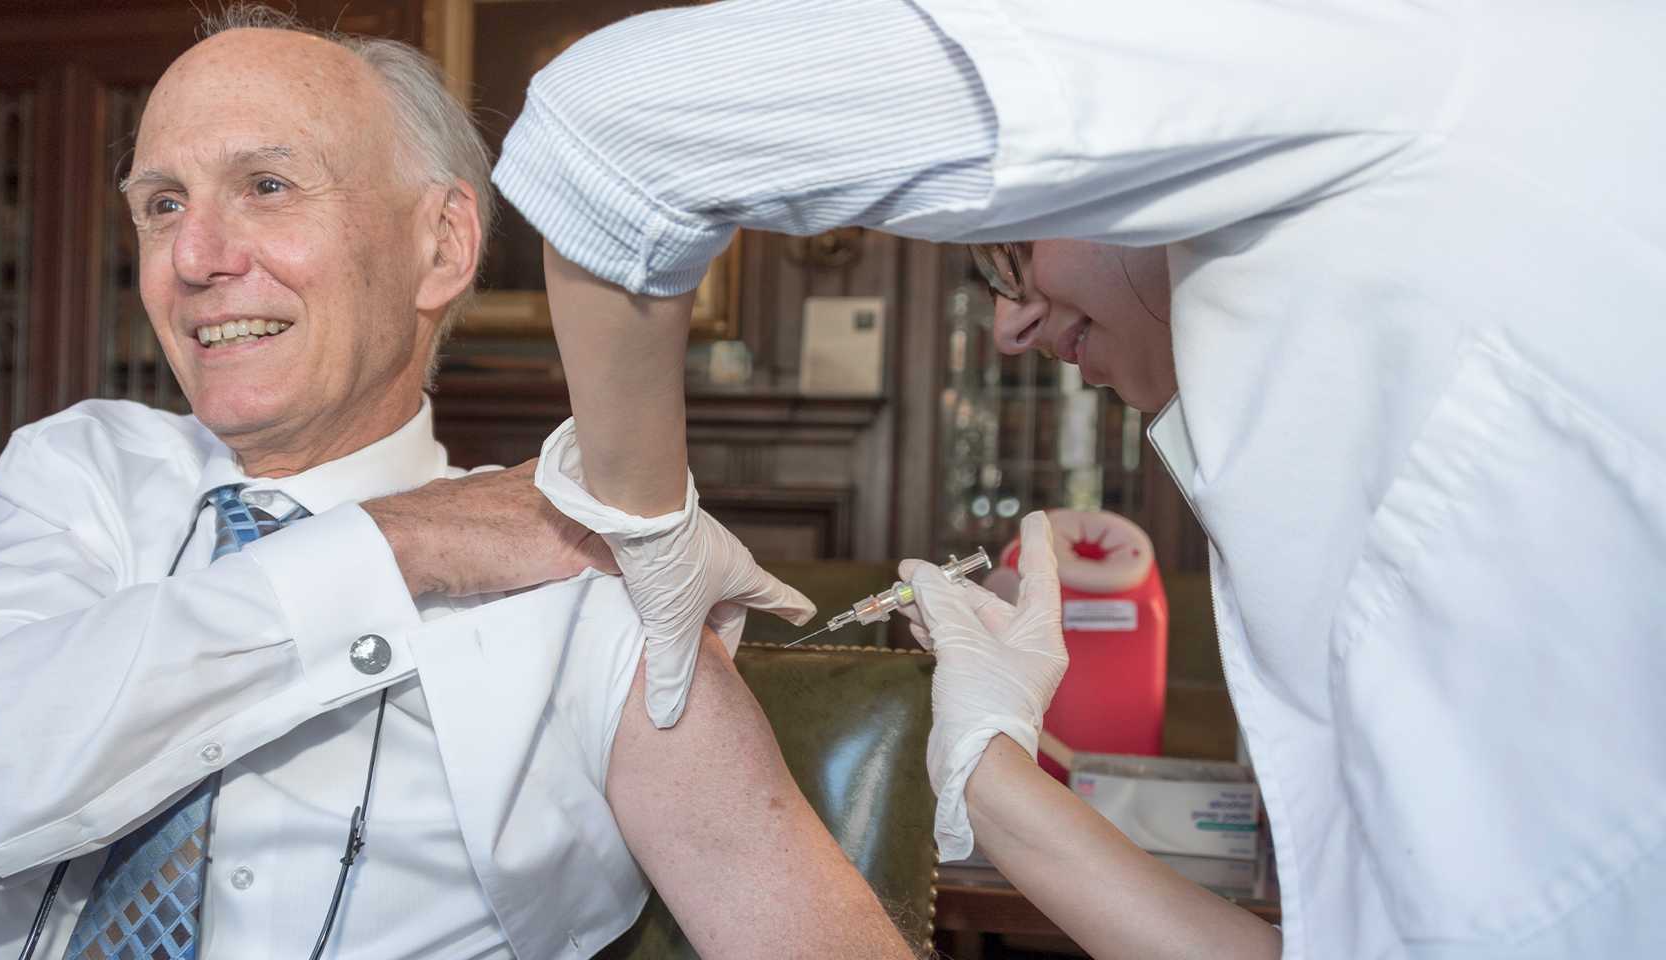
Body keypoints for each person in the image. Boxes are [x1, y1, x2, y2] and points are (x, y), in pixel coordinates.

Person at [491, 1, 1666, 957]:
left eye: (1015, 246)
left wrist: (646, 522)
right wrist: (987, 764)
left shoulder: (1357, 43)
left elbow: (615, 130)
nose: (1010, 327)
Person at [0, 11, 912, 960]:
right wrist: (388, 548)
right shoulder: (84, 476)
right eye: (163, 203)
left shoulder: (584, 576)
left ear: (443, 247)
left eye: (268, 186)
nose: (195, 258)